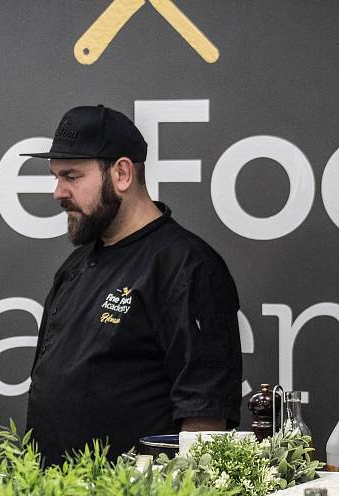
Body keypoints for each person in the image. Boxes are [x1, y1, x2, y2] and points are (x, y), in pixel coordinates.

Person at [21, 105, 242, 465]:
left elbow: (204, 416)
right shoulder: (74, 266)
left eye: (71, 176)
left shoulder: (188, 267)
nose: (57, 193)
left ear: (122, 173)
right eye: (56, 177)